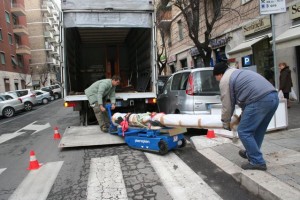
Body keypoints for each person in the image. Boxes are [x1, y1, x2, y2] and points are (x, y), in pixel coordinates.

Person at [213, 62, 279, 171]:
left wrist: (225, 122)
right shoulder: (238, 72)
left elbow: (227, 104)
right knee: (258, 130)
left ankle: (257, 161)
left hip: (259, 100)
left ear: (219, 75)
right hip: (273, 97)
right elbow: (247, 97)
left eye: (216, 78)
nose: (218, 80)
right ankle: (251, 153)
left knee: (244, 131)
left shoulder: (225, 80)